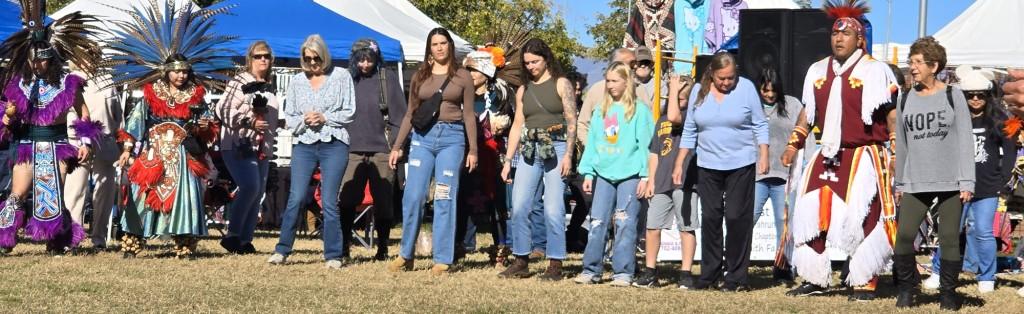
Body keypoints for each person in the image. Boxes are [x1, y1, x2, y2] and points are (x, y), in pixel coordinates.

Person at [780, 0, 901, 301]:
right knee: (809, 211)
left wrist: (897, 150)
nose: (839, 38)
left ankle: (864, 278)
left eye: (846, 34)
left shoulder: (875, 70)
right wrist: (793, 143)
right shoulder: (817, 70)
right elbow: (808, 113)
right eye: (835, 33)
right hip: (828, 151)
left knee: (866, 215)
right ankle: (814, 276)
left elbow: (891, 114)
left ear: (860, 39)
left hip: (865, 153)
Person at [105, 0, 233, 260]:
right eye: (176, 73)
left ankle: (184, 246)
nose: (180, 76)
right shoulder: (152, 94)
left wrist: (203, 127)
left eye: (185, 72)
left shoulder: (196, 96)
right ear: (165, 73)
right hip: (154, 155)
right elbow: (135, 123)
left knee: (185, 199)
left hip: (183, 157)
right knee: (142, 198)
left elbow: (208, 125)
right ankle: (132, 242)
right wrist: (128, 150)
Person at [0, 2, 102, 255]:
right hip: (27, 145)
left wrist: (86, 144)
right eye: (33, 61)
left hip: (57, 146)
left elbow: (84, 114)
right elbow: (9, 118)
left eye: (42, 60)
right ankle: (3, 239)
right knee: (17, 194)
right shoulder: (19, 84)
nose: (37, 65)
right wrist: (8, 117)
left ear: (51, 59)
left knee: (52, 193)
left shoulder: (68, 84)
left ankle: (57, 241)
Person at [671, 52, 769, 291]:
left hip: (741, 163)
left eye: (731, 78)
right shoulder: (698, 91)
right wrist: (679, 162)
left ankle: (736, 277)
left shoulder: (745, 88)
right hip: (707, 164)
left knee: (737, 218)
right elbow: (690, 130)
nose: (727, 83)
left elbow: (760, 123)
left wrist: (763, 154)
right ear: (711, 74)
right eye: (722, 78)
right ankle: (710, 274)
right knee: (711, 218)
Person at [386, 28, 479, 276]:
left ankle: (442, 259)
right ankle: (405, 255)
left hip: (452, 139)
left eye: (443, 43)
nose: (439, 48)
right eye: (434, 44)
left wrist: (473, 149)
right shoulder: (419, 76)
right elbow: (410, 114)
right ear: (430, 48)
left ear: (450, 46)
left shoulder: (463, 76)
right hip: (422, 138)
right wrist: (397, 146)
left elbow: (469, 114)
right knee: (413, 196)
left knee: (444, 196)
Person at [892, 37, 975, 311]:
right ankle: (906, 290)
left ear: (933, 65)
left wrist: (967, 181)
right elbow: (901, 144)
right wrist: (899, 182)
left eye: (917, 63)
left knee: (950, 237)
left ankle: (948, 294)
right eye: (910, 62)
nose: (912, 68)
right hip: (915, 179)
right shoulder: (904, 98)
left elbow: (965, 140)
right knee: (904, 236)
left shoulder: (953, 95)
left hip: (950, 179)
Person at [266, 35, 355, 269]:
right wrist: (304, 120)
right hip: (304, 144)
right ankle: (282, 250)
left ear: (324, 55)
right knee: (295, 198)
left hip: (334, 142)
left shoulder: (341, 76)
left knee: (329, 201)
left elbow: (349, 111)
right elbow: (291, 117)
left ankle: (334, 254)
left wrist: (326, 117)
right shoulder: (296, 81)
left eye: (317, 58)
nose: (313, 63)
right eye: (308, 58)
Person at [921, 66, 1012, 295]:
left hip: (987, 187)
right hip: (956, 185)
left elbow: (1009, 151)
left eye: (980, 95)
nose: (975, 99)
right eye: (970, 95)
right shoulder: (952, 116)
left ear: (988, 96)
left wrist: (1002, 179)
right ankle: (938, 271)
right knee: (950, 231)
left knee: (983, 231)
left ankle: (987, 276)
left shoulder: (999, 119)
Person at [497, 38, 578, 280]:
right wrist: (507, 160)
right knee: (519, 206)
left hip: (557, 147)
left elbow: (572, 121)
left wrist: (569, 156)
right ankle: (521, 259)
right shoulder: (523, 90)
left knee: (553, 208)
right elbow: (517, 126)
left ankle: (555, 264)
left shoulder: (561, 84)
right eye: (527, 63)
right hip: (529, 150)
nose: (531, 66)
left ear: (546, 59)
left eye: (535, 61)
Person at [573, 61, 654, 286]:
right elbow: (593, 144)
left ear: (627, 82)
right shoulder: (602, 110)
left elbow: (647, 146)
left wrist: (646, 176)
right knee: (597, 222)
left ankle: (623, 272)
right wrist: (588, 173)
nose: (609, 85)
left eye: (614, 80)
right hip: (604, 174)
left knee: (625, 223)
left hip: (631, 174)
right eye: (607, 80)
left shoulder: (639, 111)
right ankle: (591, 270)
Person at [337, 38, 406, 261]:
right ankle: (344, 246)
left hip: (382, 150)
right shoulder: (345, 80)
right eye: (361, 60)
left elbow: (400, 116)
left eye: (370, 59)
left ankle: (383, 248)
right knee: (347, 199)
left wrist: (397, 146)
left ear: (377, 59)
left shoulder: (388, 79)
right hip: (351, 149)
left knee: (383, 201)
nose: (365, 64)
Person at [634, 74, 699, 288]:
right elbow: (654, 153)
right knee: (652, 226)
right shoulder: (661, 121)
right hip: (661, 181)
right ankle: (650, 271)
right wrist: (651, 179)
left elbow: (674, 116)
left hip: (685, 181)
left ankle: (686, 273)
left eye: (681, 99)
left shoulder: (690, 116)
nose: (676, 102)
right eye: (674, 98)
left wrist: (673, 89)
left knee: (685, 227)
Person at [215, 40, 280, 255]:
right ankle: (233, 235)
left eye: (266, 56)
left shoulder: (271, 83)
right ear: (249, 59)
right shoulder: (240, 81)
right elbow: (222, 109)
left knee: (258, 191)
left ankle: (244, 240)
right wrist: (247, 121)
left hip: (262, 146)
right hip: (239, 143)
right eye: (258, 56)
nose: (263, 59)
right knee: (250, 186)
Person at [752, 67, 802, 284]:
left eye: (773, 90)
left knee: (785, 224)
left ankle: (783, 267)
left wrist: (804, 167)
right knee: (748, 218)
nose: (770, 95)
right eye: (765, 90)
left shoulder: (793, 105)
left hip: (785, 176)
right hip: (757, 175)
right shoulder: (751, 105)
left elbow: (804, 136)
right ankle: (735, 264)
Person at [64, 69, 122, 250]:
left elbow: (117, 113)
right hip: (76, 140)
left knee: (106, 191)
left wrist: (121, 141)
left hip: (106, 139)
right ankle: (72, 239)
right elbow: (69, 111)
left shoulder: (108, 78)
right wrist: (80, 139)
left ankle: (99, 239)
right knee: (75, 190)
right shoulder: (69, 78)